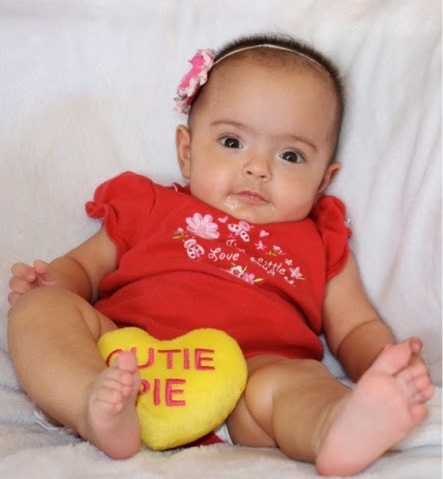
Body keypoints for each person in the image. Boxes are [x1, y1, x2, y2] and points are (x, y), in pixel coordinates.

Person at [7, 33, 434, 476]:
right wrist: (57, 281)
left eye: (290, 155)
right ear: (187, 153)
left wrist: (386, 364)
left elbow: (355, 326)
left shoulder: (320, 238)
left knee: (300, 384)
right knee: (41, 309)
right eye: (232, 142)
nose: (258, 168)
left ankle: (336, 427)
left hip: (247, 382)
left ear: (323, 180)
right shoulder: (149, 205)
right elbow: (84, 268)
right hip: (127, 360)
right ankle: (90, 405)